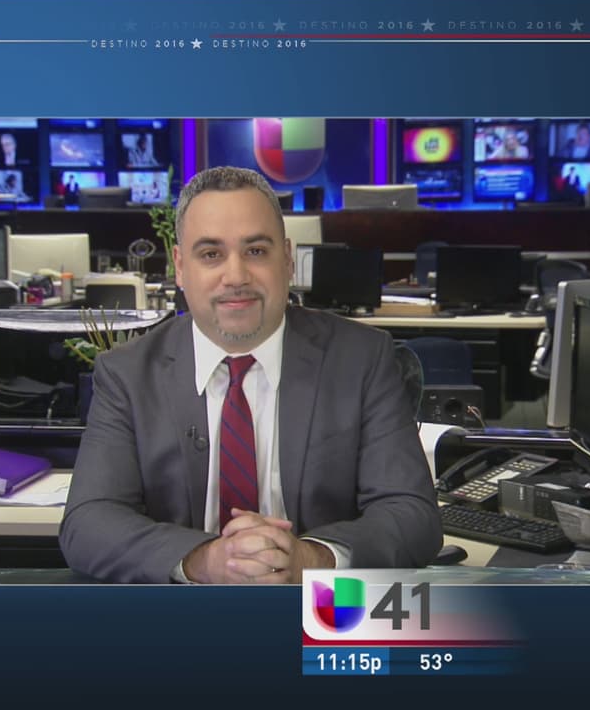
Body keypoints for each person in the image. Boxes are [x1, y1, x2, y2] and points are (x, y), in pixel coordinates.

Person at [59, 167, 441, 584]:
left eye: (256, 251)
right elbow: (88, 523)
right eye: (211, 254)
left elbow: (413, 515)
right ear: (180, 267)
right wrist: (206, 561)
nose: (237, 277)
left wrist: (310, 559)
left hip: (321, 610)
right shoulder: (128, 374)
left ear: (288, 259)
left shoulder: (362, 359)